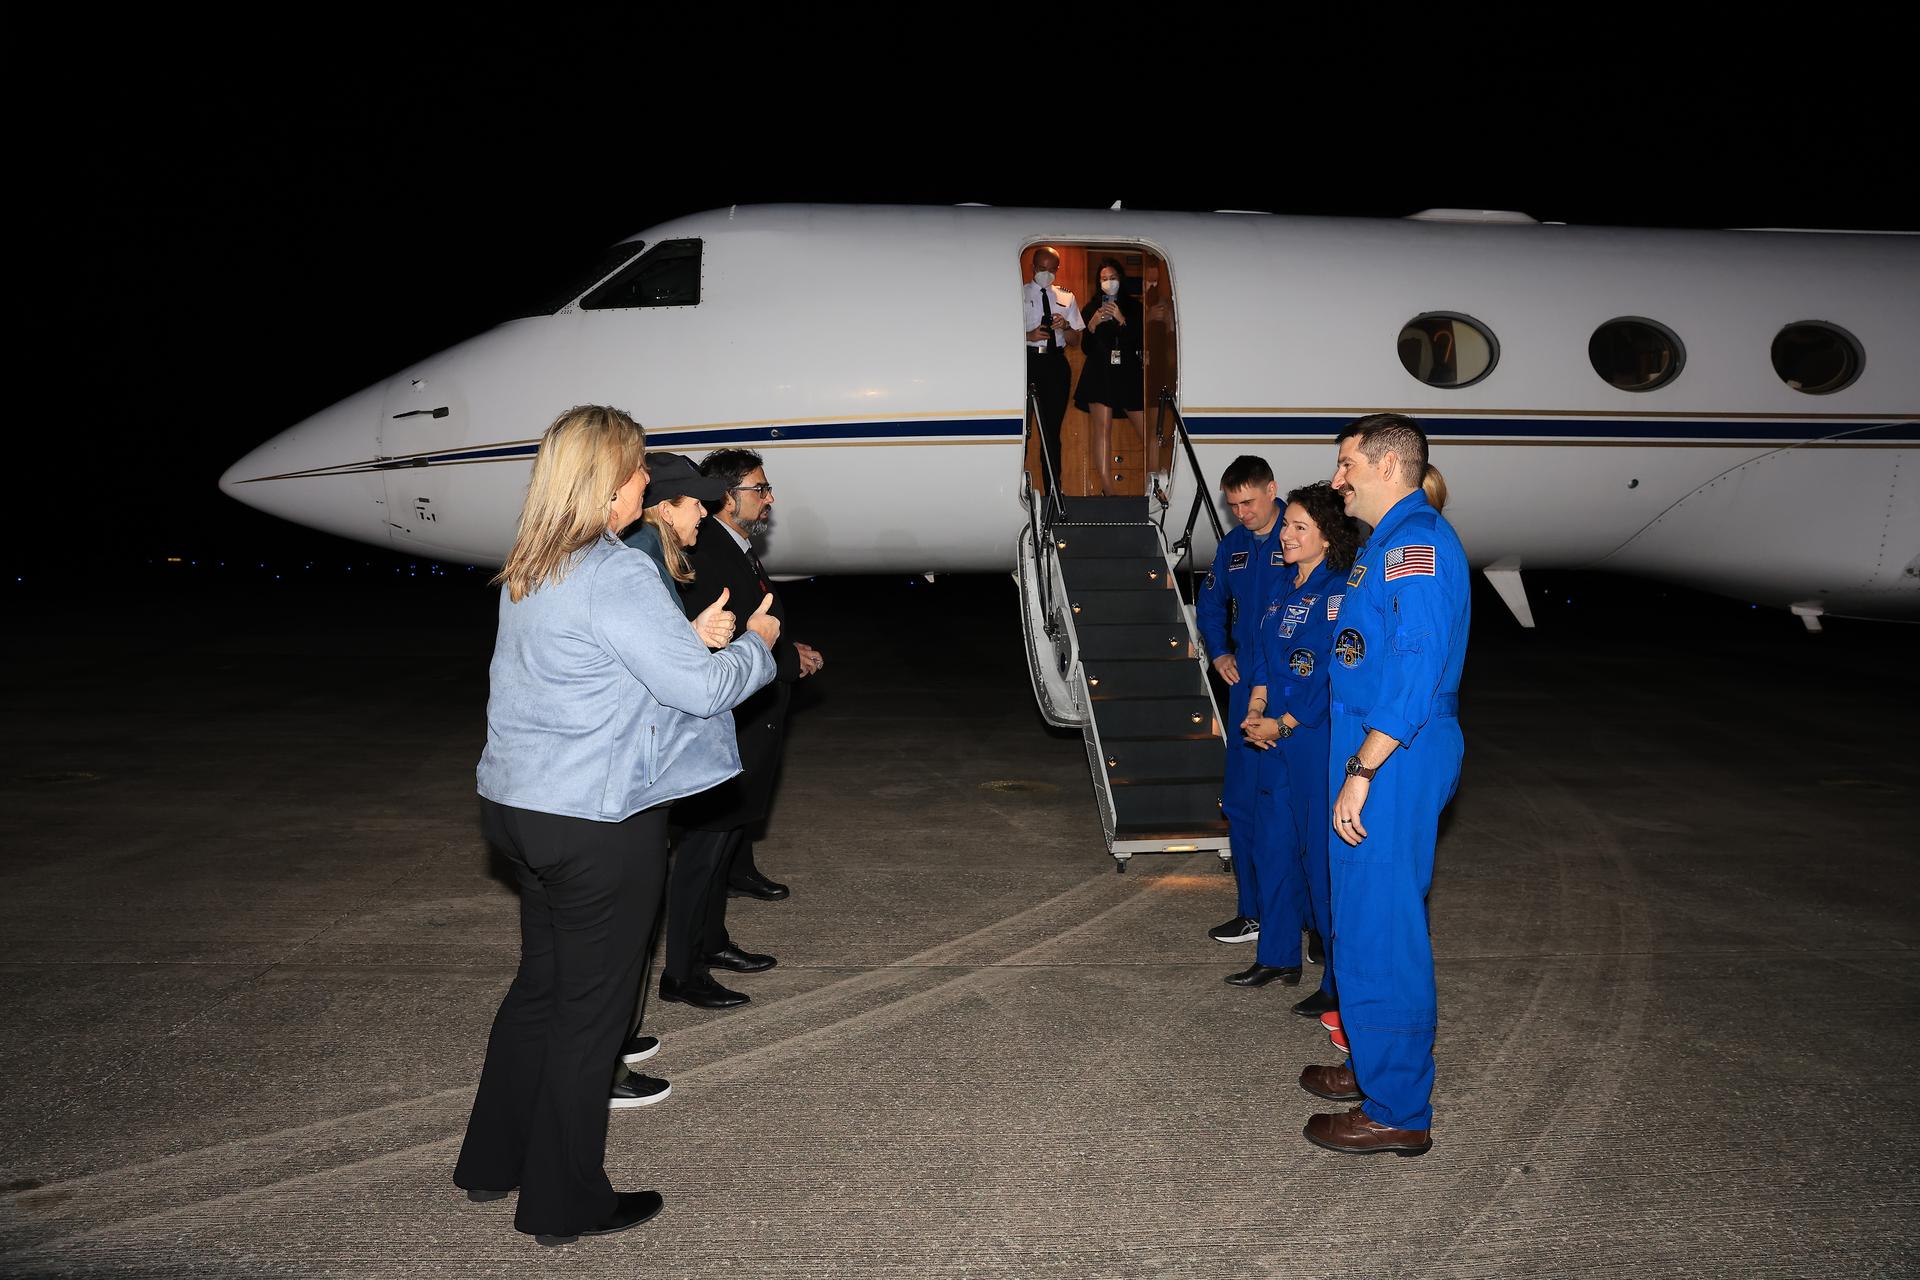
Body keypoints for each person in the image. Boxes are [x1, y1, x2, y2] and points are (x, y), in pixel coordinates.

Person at [453, 407, 779, 1245]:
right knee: (591, 1015)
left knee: (542, 987)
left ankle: (492, 1163)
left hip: (521, 811)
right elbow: (704, 694)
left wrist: (691, 637)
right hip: (598, 820)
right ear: (607, 480)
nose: (647, 480)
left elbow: (594, 670)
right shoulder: (614, 570)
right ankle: (565, 1202)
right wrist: (757, 642)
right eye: (637, 469)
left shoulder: (534, 562)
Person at [1297, 413, 1469, 1158]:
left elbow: (1412, 671)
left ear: (1387, 464)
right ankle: (1372, 1062)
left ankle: (1397, 1107)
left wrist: (1362, 771)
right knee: (1357, 922)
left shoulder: (1417, 548)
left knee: (1382, 931)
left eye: (1346, 466)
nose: (1338, 482)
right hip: (1375, 753)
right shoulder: (1388, 544)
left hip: (1394, 759)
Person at [657, 448, 822, 1010]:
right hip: (727, 720)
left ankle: (711, 942)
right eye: (760, 488)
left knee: (724, 845)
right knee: (703, 850)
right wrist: (777, 661)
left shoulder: (737, 547)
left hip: (752, 714)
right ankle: (681, 972)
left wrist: (786, 649)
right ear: (728, 496)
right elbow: (714, 640)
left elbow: (758, 621)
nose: (768, 497)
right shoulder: (710, 553)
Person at [607, 451, 735, 1107]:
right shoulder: (636, 564)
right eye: (696, 504)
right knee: (617, 933)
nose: (707, 515)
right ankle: (606, 1066)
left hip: (628, 771)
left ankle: (615, 1037)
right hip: (621, 777)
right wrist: (729, 649)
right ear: (660, 503)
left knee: (627, 929)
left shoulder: (643, 558)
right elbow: (660, 677)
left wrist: (690, 633)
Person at [1237, 481, 1363, 1015]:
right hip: (1275, 736)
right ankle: (1278, 955)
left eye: (1297, 527)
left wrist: (1283, 724)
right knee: (1272, 845)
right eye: (1286, 525)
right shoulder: (1282, 587)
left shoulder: (1340, 594)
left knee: (1320, 860)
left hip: (1313, 740)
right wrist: (1257, 706)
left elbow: (1330, 675)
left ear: (1327, 537)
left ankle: (1337, 982)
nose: (1285, 535)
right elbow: (1265, 655)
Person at [1195, 456, 1299, 949]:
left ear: (1271, 490)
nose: (1242, 513)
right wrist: (1218, 653)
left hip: (1293, 687)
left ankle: (1306, 917)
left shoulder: (1301, 536)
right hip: (1244, 689)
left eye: (1249, 502)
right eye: (1233, 505)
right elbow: (1212, 604)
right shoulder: (1233, 546)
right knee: (1241, 802)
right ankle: (1251, 912)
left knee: (1291, 803)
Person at [1074, 257, 1145, 496]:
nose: (1108, 282)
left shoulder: (1134, 307)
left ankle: (1155, 484)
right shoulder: (1090, 307)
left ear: (1121, 279)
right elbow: (1085, 348)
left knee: (1147, 430)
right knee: (1101, 430)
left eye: (1113, 278)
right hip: (1099, 373)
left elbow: (1140, 339)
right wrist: (1092, 325)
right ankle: (1108, 490)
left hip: (1127, 372)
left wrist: (1122, 319)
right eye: (1104, 279)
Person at [1022, 245, 1084, 491]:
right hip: (1027, 362)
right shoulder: (1017, 294)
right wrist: (1029, 334)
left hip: (1056, 364)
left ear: (1057, 270)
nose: (1045, 274)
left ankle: (1053, 492)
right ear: (1032, 267)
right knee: (1022, 430)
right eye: (1040, 268)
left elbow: (1076, 341)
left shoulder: (1066, 297)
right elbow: (1000, 333)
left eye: (1050, 269)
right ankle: (1017, 487)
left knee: (1051, 433)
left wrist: (1065, 326)